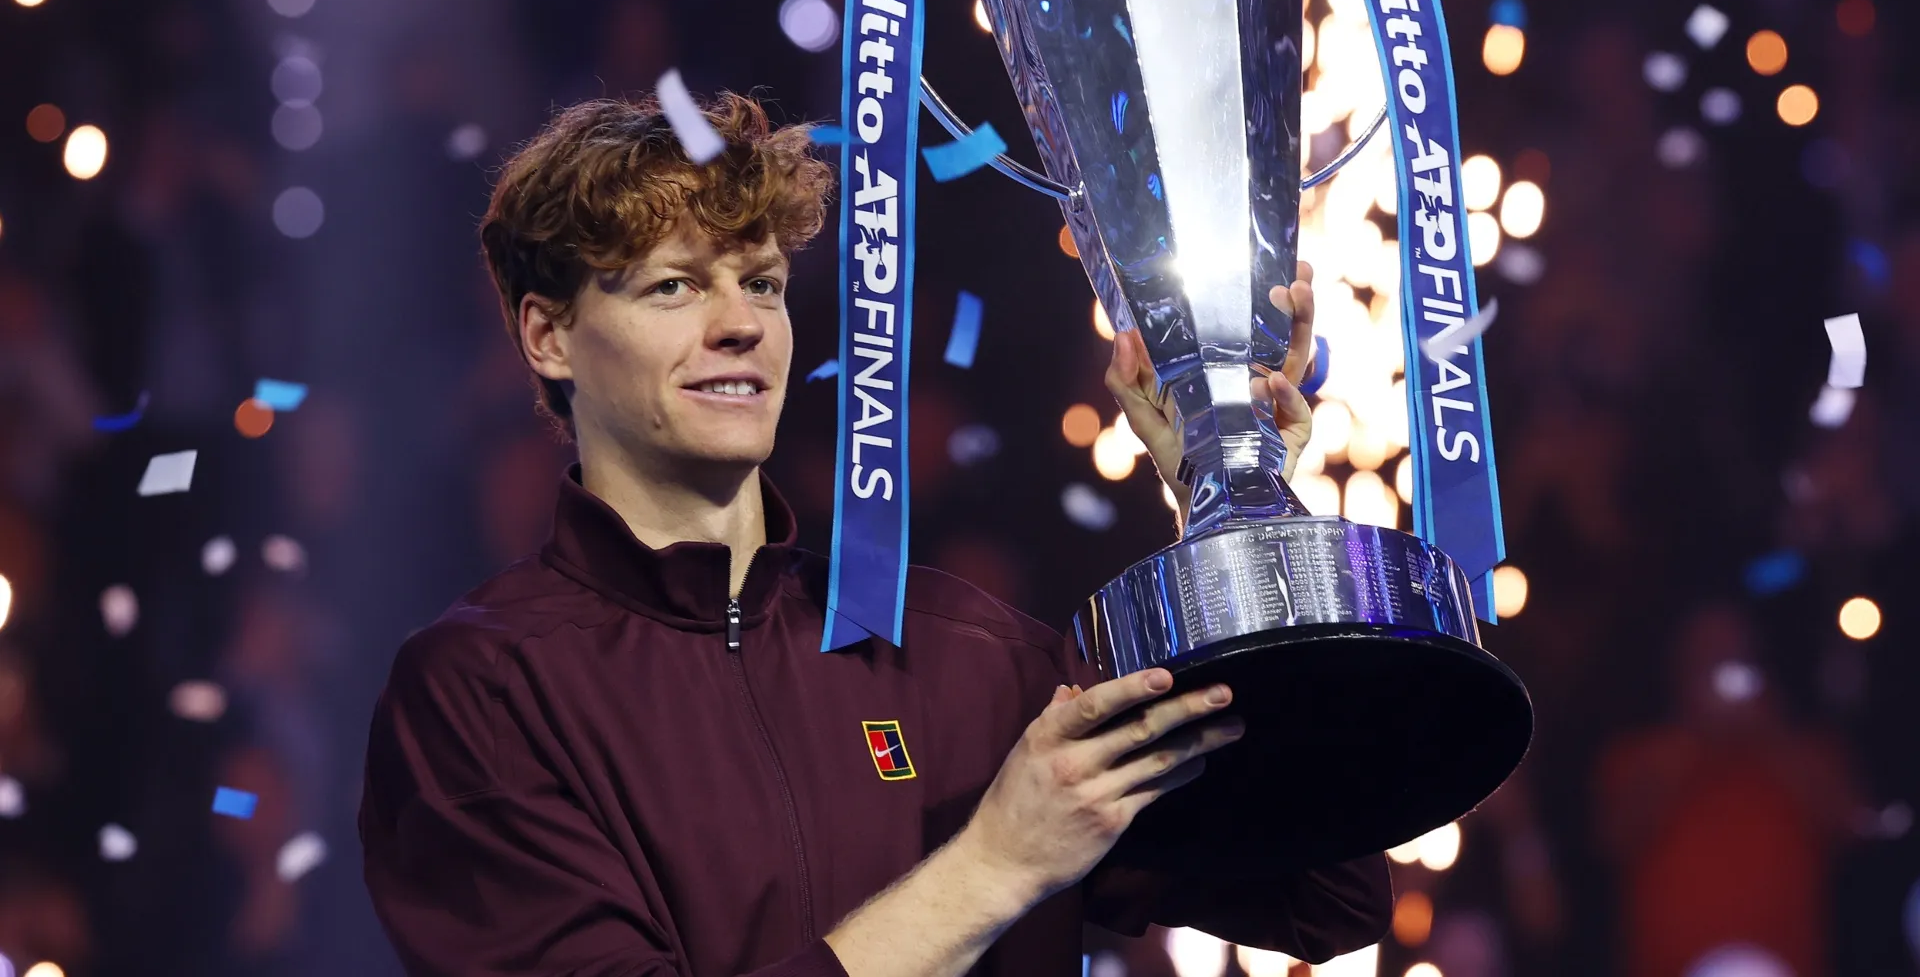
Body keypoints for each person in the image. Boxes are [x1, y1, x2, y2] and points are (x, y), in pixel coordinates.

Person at [357, 92, 1390, 977]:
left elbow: (1327, 899)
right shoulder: (482, 692)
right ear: (547, 336)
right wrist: (997, 864)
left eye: (759, 281)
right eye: (674, 283)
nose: (740, 324)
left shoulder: (969, 655)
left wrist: (1233, 512)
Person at [1593, 601, 1864, 977]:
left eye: (1734, 657)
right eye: (1707, 657)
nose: (1722, 674)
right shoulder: (1637, 757)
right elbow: (1614, 838)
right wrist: (1694, 736)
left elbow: (1849, 827)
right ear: (1679, 666)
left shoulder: (1809, 752)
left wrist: (1770, 735)